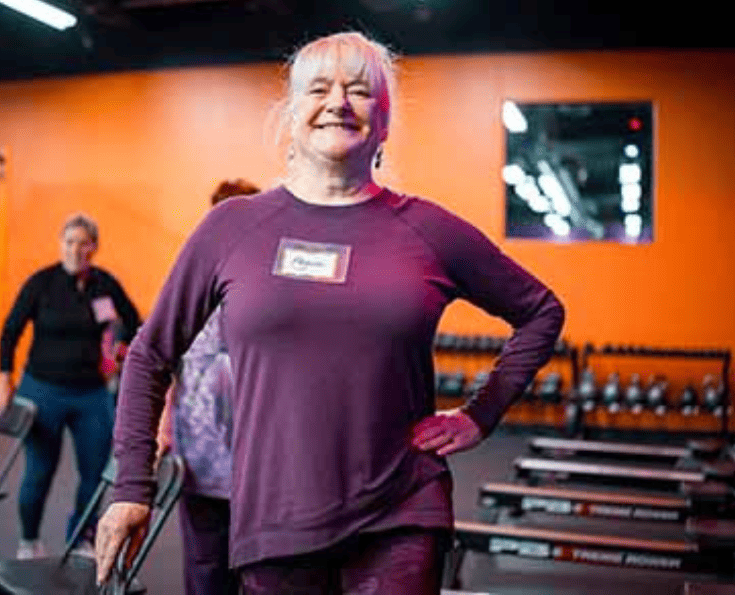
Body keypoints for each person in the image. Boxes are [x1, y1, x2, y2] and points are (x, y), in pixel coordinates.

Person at [96, 31, 565, 594]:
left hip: (401, 512)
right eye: (319, 88)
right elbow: (150, 354)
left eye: (360, 90)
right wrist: (130, 488)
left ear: (384, 122)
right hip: (275, 519)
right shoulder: (232, 227)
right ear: (294, 115)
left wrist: (479, 414)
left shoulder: (427, 229)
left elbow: (540, 311)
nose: (339, 101)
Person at [0, 213, 140, 559]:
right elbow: (11, 330)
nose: (75, 250)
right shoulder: (41, 283)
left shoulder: (104, 284)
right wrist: (2, 378)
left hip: (90, 394)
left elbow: (134, 323)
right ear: (60, 245)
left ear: (94, 248)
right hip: (42, 390)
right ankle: (29, 542)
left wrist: (119, 355)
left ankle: (81, 538)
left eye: (83, 243)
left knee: (94, 473)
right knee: (39, 471)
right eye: (68, 242)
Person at [156, 178, 260, 595]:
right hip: (199, 447)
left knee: (261, 567)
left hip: (260, 455)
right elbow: (163, 356)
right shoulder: (190, 276)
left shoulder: (273, 281)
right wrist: (162, 425)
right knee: (204, 566)